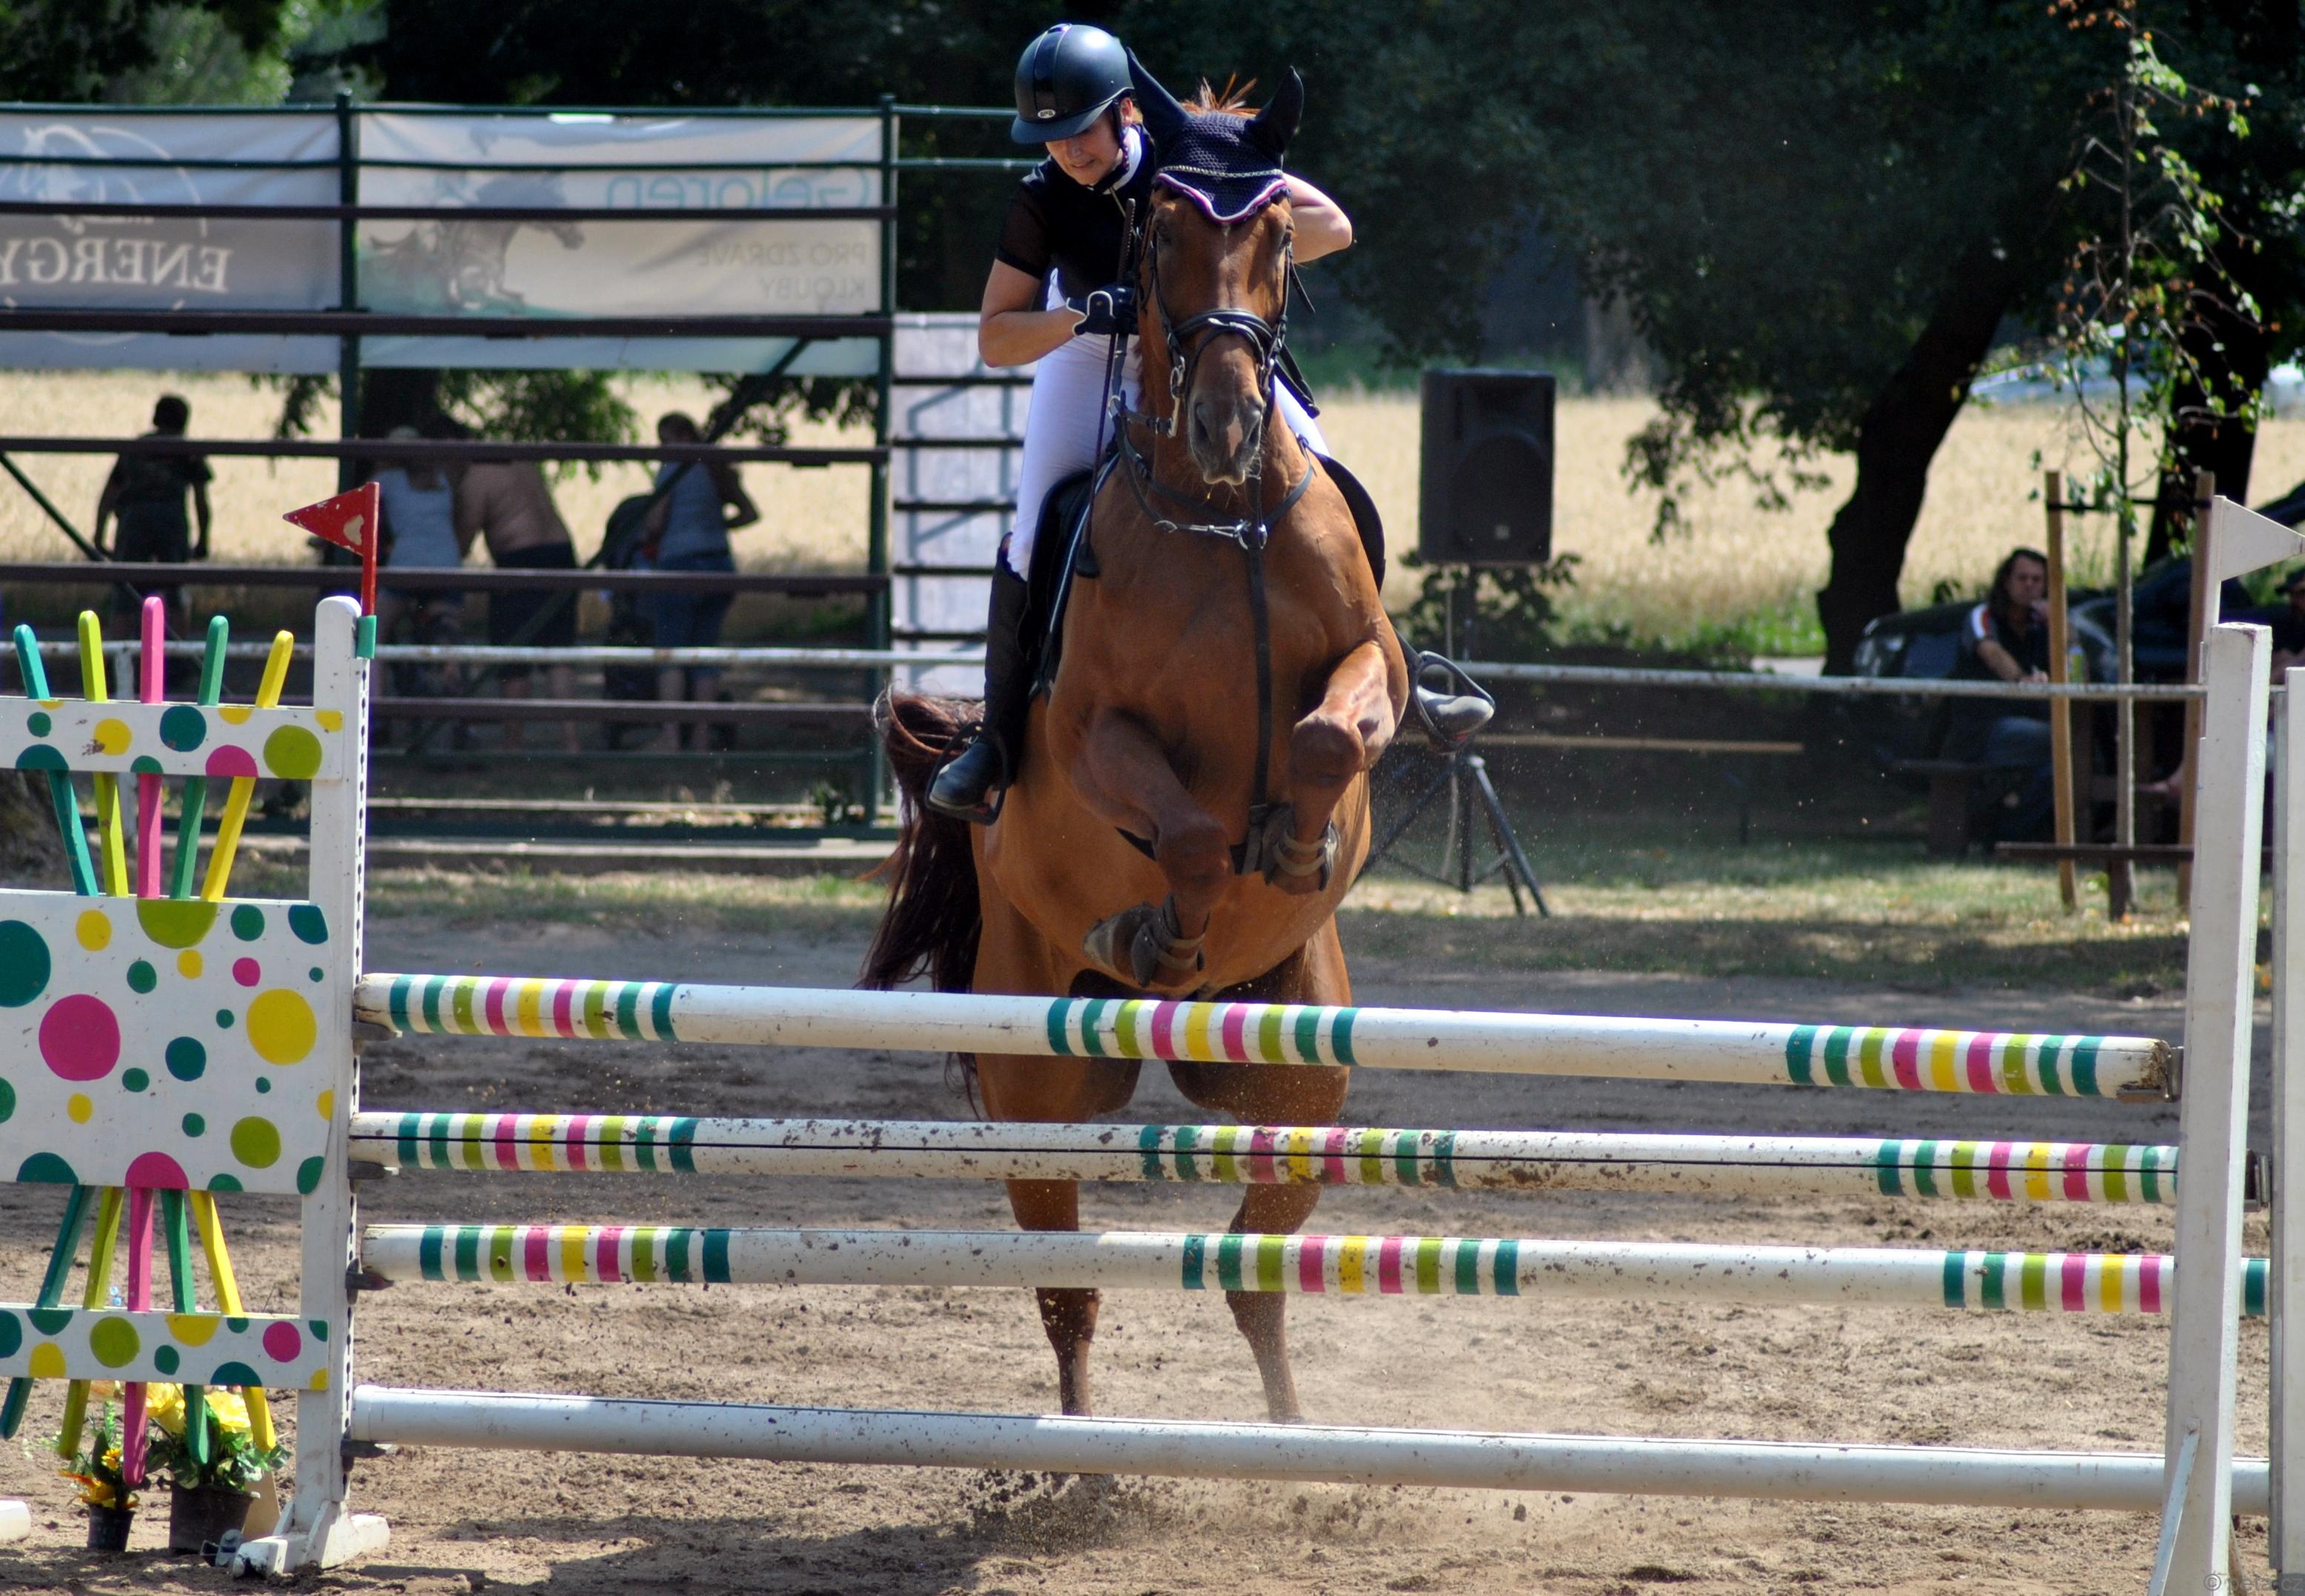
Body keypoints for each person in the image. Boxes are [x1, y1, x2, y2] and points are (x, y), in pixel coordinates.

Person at [929, 22, 1485, 823]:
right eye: (1050, 137)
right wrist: (1080, 315)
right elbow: (995, 337)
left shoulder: (1190, 154)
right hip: (1089, 351)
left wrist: (1243, 222)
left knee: (1326, 482)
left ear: (1125, 112)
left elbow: (1333, 228)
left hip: (1205, 344)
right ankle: (997, 738)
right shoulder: (1041, 198)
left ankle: (1396, 665)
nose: (1068, 151)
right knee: (1032, 530)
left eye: (1081, 130)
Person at [638, 410, 759, 751]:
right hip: (719, 564)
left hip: (680, 564)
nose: (662, 448)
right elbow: (750, 513)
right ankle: (702, 738)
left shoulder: (672, 468)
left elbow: (655, 522)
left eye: (665, 440)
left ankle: (671, 737)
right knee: (706, 653)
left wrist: (655, 534)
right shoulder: (716, 467)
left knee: (672, 652)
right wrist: (716, 528)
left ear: (682, 437)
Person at [455, 448, 583, 752]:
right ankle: (571, 742)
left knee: (513, 658)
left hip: (520, 559)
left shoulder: (477, 476)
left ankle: (512, 745)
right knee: (559, 654)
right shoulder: (521, 462)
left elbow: (463, 539)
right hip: (561, 555)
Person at [1946, 547, 2057, 842]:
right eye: (2022, 578)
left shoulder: (2044, 625)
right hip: (1982, 729)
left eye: (2037, 580)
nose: (2029, 586)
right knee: (2062, 743)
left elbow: (2074, 656)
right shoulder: (1982, 616)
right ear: (2006, 581)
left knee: (2072, 755)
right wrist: (2022, 681)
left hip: (2028, 724)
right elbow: (1992, 653)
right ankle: (2007, 833)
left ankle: (2010, 832)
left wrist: (2059, 626)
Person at [94, 394, 211, 634]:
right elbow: (201, 501)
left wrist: (99, 534)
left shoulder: (135, 449)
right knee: (175, 589)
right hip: (171, 522)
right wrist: (203, 540)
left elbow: (109, 493)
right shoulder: (188, 451)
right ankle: (180, 652)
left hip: (133, 521)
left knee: (125, 590)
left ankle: (118, 650)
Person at [374, 425, 465, 699]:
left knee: (372, 635)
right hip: (446, 567)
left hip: (406, 567)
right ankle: (460, 707)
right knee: (449, 637)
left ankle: (374, 707)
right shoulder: (445, 477)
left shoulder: (387, 480)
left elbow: (359, 508)